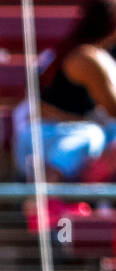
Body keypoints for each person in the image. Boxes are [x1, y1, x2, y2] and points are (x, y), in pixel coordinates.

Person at [11, 0, 116, 181]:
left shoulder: (79, 49)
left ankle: (91, 201)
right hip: (45, 140)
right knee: (94, 135)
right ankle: (49, 193)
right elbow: (113, 108)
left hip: (53, 137)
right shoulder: (86, 57)